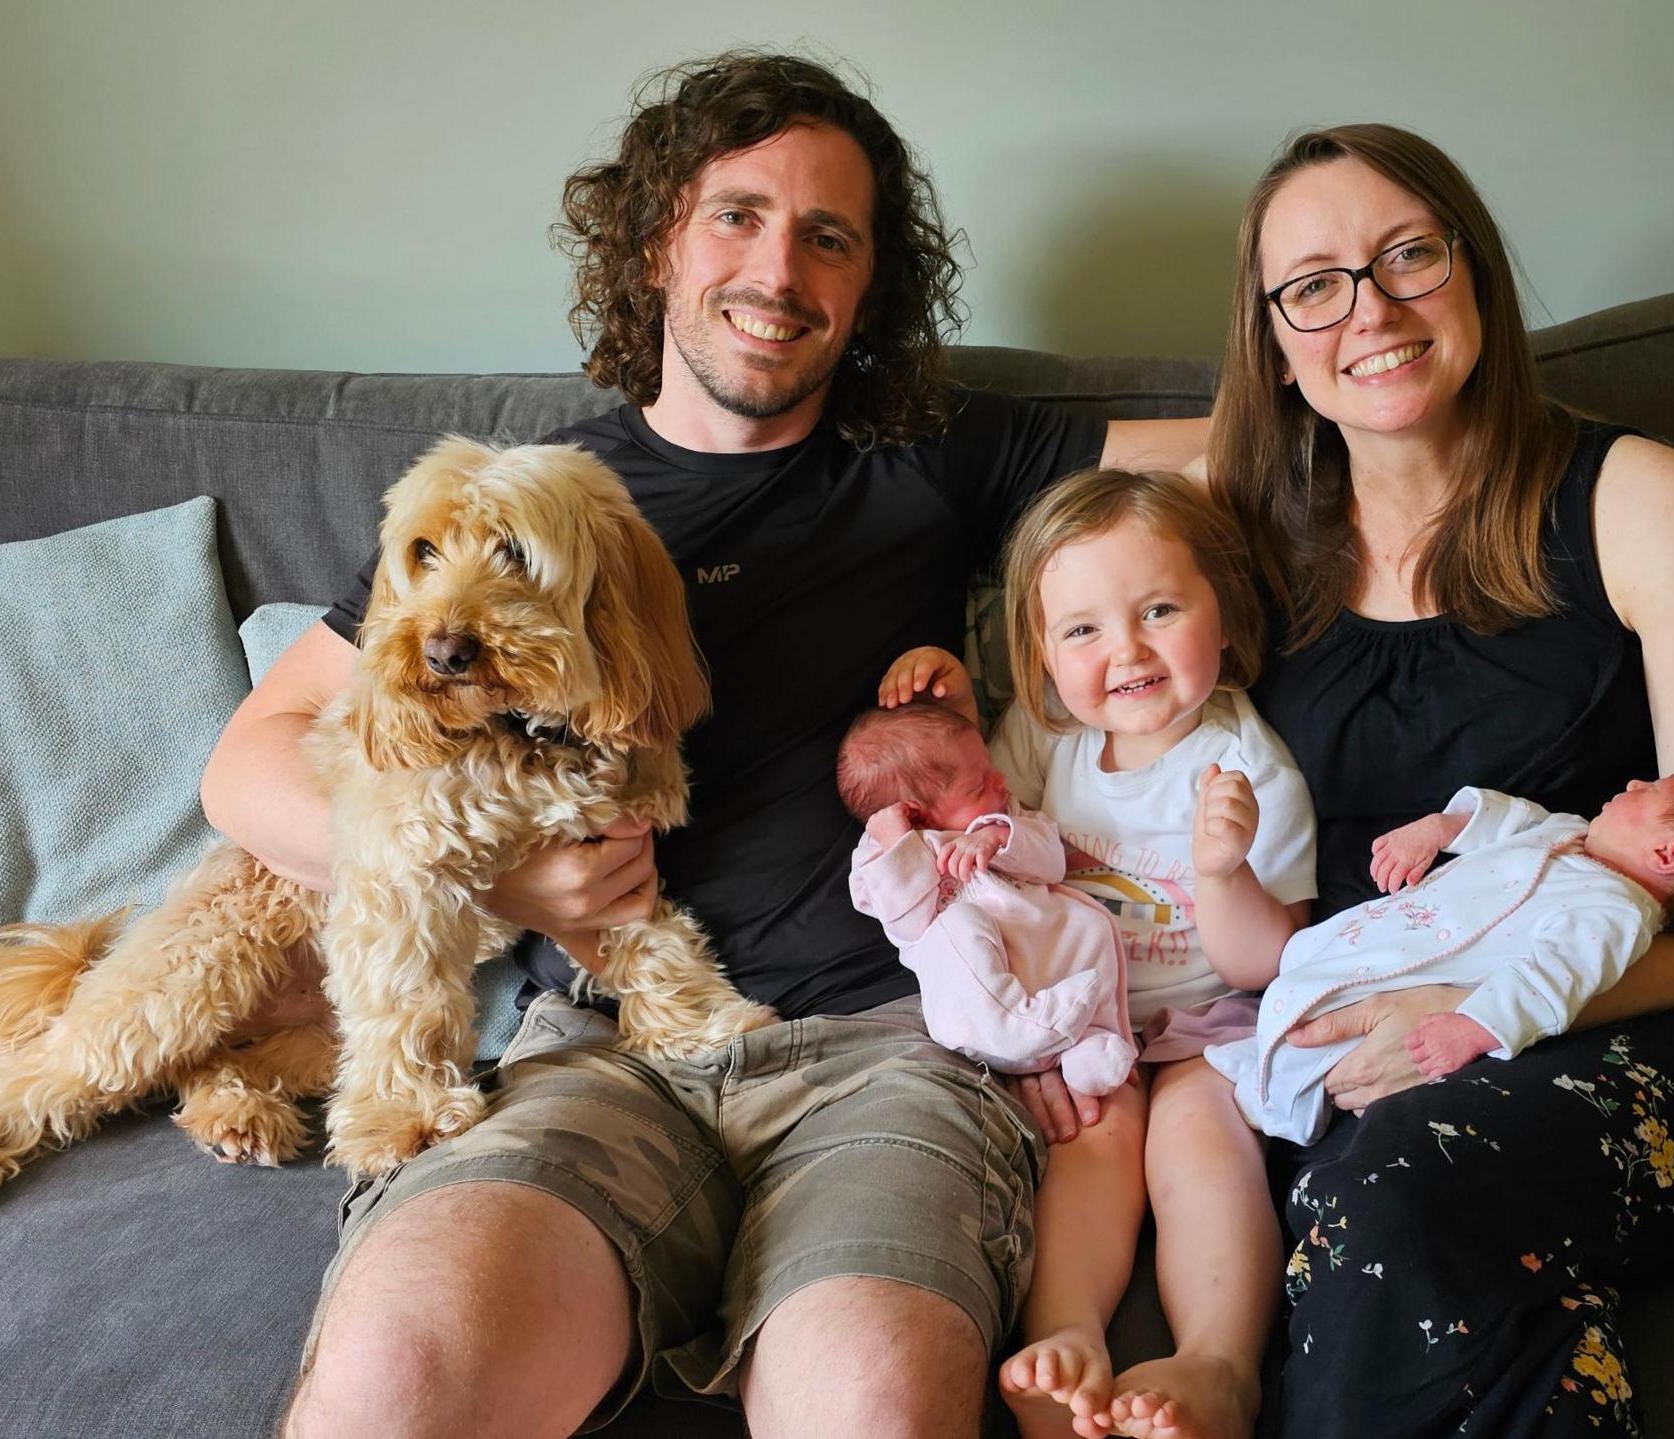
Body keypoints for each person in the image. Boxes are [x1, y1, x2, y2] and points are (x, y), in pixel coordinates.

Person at [203, 51, 1205, 1439]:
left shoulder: (932, 450)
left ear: (866, 292)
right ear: (658, 239)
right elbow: (251, 756)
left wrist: (1400, 371)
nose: (778, 267)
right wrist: (492, 885)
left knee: (872, 1400)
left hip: (890, 1046)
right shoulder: (530, 506)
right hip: (599, 1051)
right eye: (738, 214)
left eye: (828, 236)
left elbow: (1241, 459)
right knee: (394, 1378)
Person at [1204, 124, 1674, 1436]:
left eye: (1407, 255)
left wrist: (1475, 1004)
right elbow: (1015, 492)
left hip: (1647, 1022)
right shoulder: (1245, 530)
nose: (1368, 309)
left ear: (1472, 270)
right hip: (1377, 1032)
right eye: (1313, 284)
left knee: (1400, 1181)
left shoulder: (1637, 496)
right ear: (1272, 337)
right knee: (1413, 1200)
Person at [881, 468, 1313, 1439]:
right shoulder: (1045, 736)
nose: (1125, 649)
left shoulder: (1250, 766)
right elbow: (971, 809)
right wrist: (948, 711)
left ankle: (1218, 1362)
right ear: (1039, 654)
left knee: (1201, 1144)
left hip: (1208, 1018)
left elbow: (1264, 959)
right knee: (1089, 1143)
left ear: (1227, 616)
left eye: (1159, 608)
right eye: (1081, 629)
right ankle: (1068, 1338)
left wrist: (1223, 870)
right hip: (1081, 1024)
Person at [1208, 767, 1674, 1144]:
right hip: (1387, 936)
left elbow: (1554, 980)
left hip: (1425, 983)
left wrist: (1474, 1026)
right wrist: (1440, 828)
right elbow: (1509, 819)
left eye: (1655, 791)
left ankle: (1272, 1102)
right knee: (1316, 971)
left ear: (1672, 853)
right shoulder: (1573, 834)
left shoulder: (1616, 916)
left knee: (1320, 1043)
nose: (1634, 782)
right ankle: (1261, 1055)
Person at [837, 699, 1136, 1097]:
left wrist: (1000, 837)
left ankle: (1091, 1045)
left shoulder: (1001, 817)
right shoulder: (879, 858)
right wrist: (900, 845)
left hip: (1045, 953)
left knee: (1091, 923)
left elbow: (1052, 863)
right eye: (978, 785)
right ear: (916, 815)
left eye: (990, 768)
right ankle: (1012, 1027)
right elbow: (907, 926)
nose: (1000, 781)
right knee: (958, 926)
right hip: (979, 999)